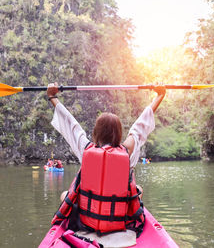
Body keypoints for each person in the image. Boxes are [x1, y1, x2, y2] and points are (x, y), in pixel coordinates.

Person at [47, 82, 166, 236]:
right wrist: (160, 96)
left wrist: (52, 96)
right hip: (119, 222)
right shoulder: (127, 151)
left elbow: (70, 124)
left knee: (65, 195)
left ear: (96, 132)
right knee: (139, 190)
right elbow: (140, 126)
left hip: (86, 222)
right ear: (118, 133)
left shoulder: (86, 149)